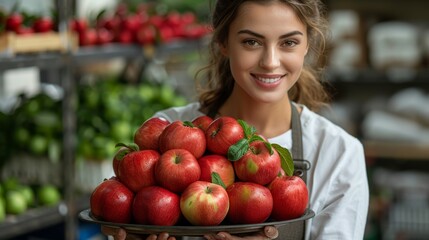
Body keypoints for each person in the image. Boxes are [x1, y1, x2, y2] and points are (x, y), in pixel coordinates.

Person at [102, 0, 369, 239]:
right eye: (251, 42)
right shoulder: (166, 133)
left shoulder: (338, 153)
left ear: (307, 45)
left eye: (288, 42)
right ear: (223, 43)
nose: (270, 62)